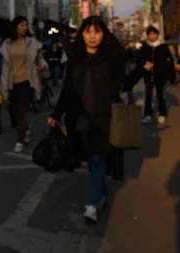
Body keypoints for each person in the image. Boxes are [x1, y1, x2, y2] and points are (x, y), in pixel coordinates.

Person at [48, 16, 152, 224]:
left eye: (97, 32)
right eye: (88, 32)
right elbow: (67, 89)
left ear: (103, 34)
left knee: (96, 157)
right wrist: (56, 114)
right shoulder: (75, 58)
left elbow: (124, 84)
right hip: (79, 118)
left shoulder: (111, 59)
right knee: (89, 157)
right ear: (82, 34)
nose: (92, 36)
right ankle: (100, 190)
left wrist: (141, 70)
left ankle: (93, 204)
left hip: (105, 118)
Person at [0, 16, 45, 153]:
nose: (25, 27)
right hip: (13, 82)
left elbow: (40, 59)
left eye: (26, 25)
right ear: (15, 27)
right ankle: (25, 128)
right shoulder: (7, 44)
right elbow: (5, 68)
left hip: (28, 81)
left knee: (22, 110)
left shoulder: (32, 42)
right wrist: (3, 87)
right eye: (22, 25)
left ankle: (19, 141)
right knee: (14, 111)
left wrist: (42, 66)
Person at [137, 26, 176, 124]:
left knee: (160, 95)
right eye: (150, 34)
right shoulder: (144, 46)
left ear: (157, 34)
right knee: (148, 95)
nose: (152, 36)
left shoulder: (163, 46)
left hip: (160, 74)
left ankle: (162, 114)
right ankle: (147, 115)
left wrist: (171, 75)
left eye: (154, 34)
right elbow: (139, 60)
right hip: (148, 75)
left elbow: (169, 61)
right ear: (148, 35)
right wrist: (144, 65)